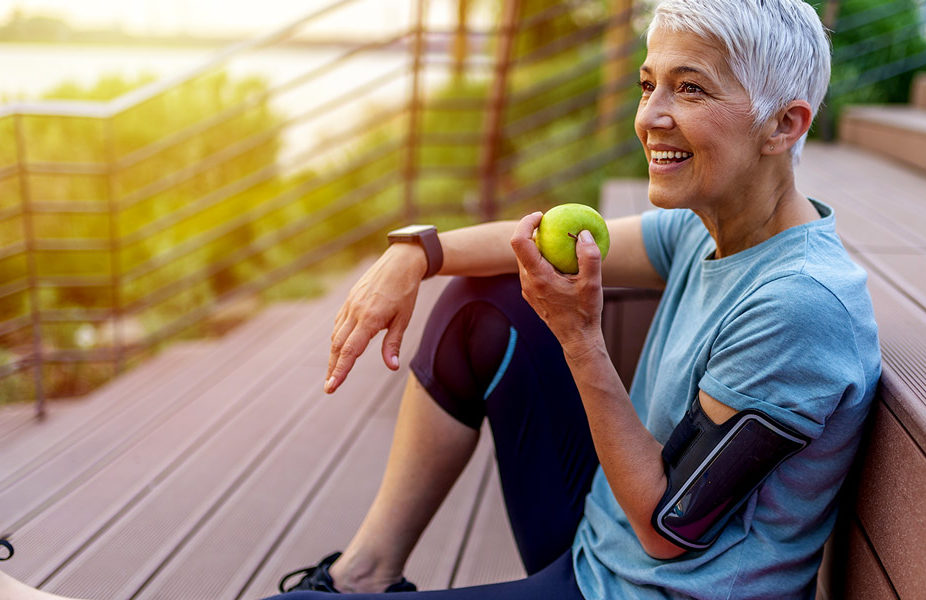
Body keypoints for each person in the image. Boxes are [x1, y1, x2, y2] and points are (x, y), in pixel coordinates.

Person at [0, 1, 880, 598]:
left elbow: (666, 530)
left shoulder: (798, 308)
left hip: (640, 579)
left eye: (690, 89)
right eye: (650, 82)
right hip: (595, 542)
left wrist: (580, 339)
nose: (652, 113)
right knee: (478, 301)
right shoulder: (713, 223)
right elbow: (523, 243)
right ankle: (365, 572)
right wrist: (412, 253)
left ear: (784, 125)